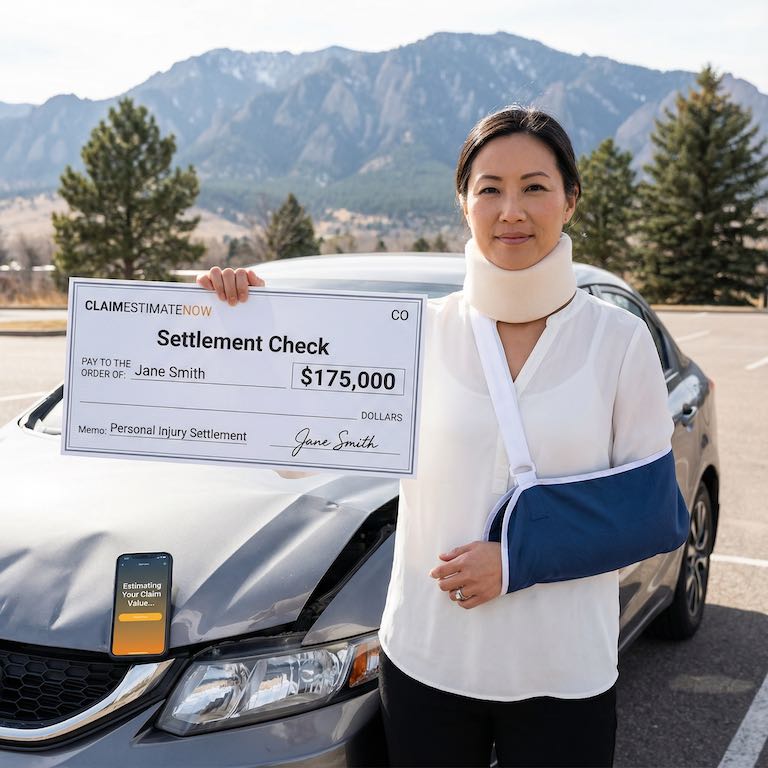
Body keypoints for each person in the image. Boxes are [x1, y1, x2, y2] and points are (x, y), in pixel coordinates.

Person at [197, 106, 675, 767]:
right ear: (463, 202)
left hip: (565, 671)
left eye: (535, 186)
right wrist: (235, 340)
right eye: (490, 188)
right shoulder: (412, 336)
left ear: (571, 198)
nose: (512, 209)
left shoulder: (617, 341)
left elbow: (650, 514)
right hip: (428, 663)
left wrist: (513, 561)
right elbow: (297, 462)